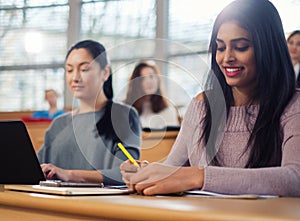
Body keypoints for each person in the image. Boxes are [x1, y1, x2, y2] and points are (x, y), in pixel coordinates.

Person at [120, 0, 300, 197]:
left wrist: (200, 177)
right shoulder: (201, 106)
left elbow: (294, 178)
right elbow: (173, 169)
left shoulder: (293, 106)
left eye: (240, 47)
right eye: (220, 48)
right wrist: (146, 173)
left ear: (268, 48)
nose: (226, 58)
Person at [38, 40, 141, 185]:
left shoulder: (123, 115)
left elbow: (128, 172)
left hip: (99, 204)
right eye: (69, 70)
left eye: (84, 69)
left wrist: (69, 174)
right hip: (53, 202)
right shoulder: (59, 124)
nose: (75, 78)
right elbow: (35, 169)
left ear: (105, 72)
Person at [124, 60, 180, 129]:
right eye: (143, 78)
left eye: (151, 76)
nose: (148, 81)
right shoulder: (126, 110)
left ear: (158, 80)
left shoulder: (168, 110)